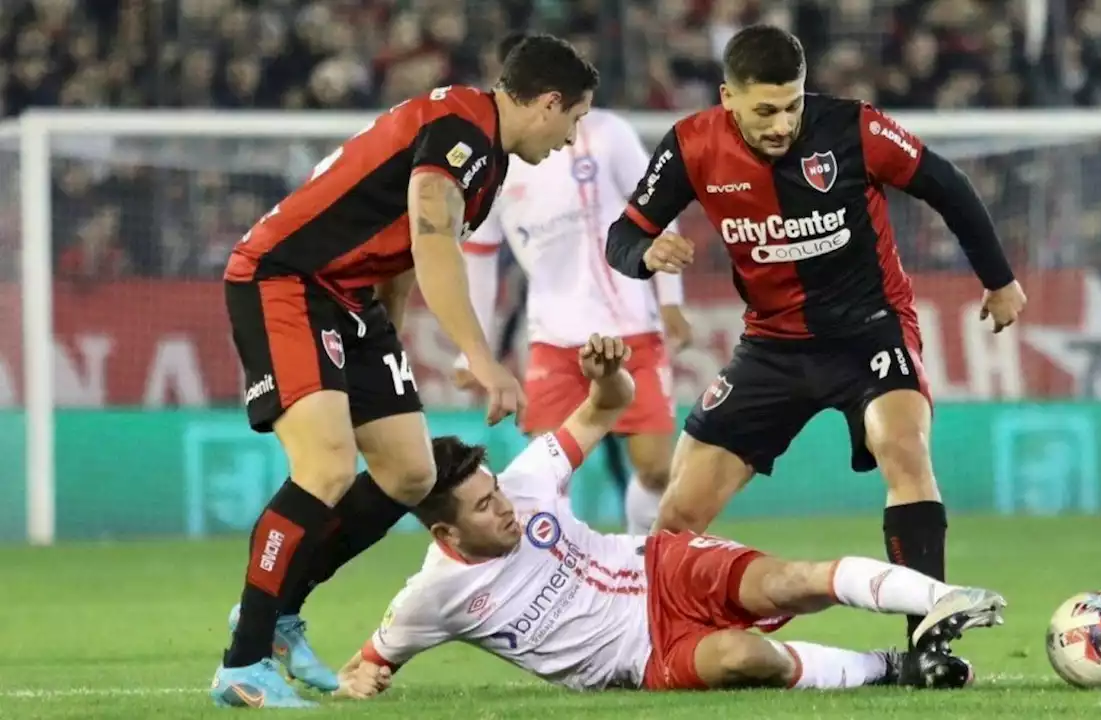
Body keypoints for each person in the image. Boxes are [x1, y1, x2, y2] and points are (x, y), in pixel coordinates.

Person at [604, 24, 1027, 646]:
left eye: (793, 105)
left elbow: (947, 185)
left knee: (903, 450)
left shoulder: (854, 128)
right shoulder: (692, 145)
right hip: (771, 347)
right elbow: (621, 235)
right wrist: (646, 253)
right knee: (677, 514)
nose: (781, 124)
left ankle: (926, 643)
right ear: (728, 98)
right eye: (764, 110)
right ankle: (660, 640)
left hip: (870, 332)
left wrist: (999, 279)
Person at [212, 34, 600, 708]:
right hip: (287, 280)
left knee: (410, 471)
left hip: (350, 300)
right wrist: (482, 359)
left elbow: (393, 250)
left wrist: (382, 340)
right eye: (575, 119)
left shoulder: (486, 152)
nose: (571, 138)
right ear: (548, 102)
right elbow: (430, 236)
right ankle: (243, 662)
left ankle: (277, 617)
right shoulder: (463, 134)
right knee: (327, 467)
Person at [332, 335, 1005, 700]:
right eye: (484, 506)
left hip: (662, 569)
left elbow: (605, 409)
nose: (504, 506)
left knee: (788, 580)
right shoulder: (432, 598)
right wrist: (357, 682)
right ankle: (893, 670)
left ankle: (947, 600)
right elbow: (370, 663)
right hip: (644, 656)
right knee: (744, 658)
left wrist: (606, 380)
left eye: (496, 491)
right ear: (445, 533)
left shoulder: (528, 479)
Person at [454, 35, 692, 535]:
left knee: (655, 467)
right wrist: (467, 351)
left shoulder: (608, 135)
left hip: (630, 326)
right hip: (554, 336)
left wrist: (670, 300)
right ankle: (551, 589)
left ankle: (641, 565)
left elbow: (658, 210)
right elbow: (479, 255)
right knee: (545, 477)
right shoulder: (493, 161)